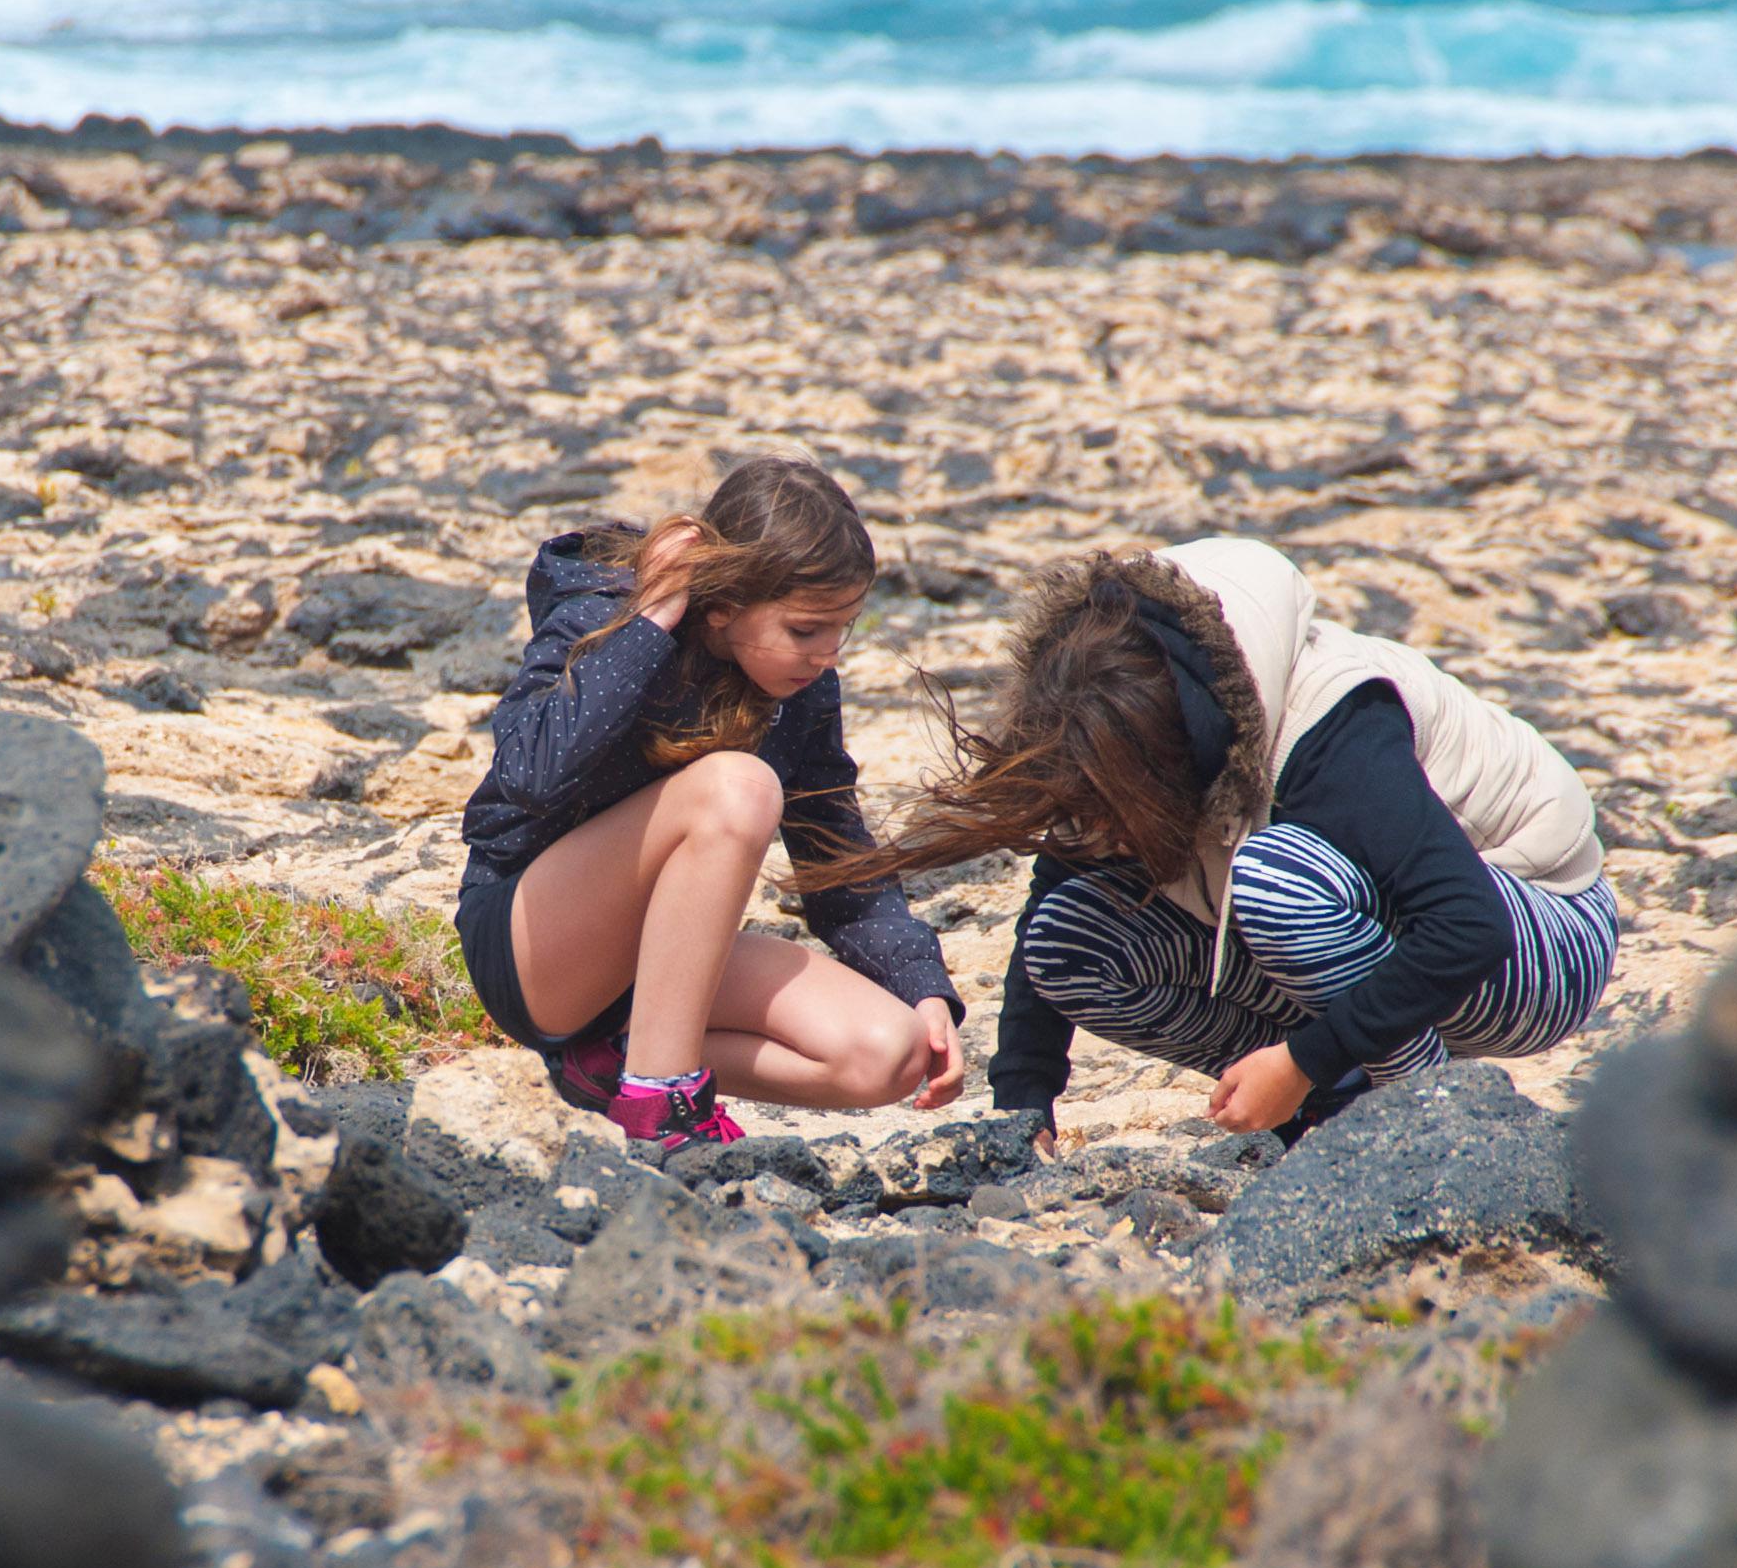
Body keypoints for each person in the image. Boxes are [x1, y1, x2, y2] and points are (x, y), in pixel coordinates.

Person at [828, 535, 1613, 1147]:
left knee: (1274, 877)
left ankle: (1417, 1125)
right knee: (1065, 937)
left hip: (1538, 933)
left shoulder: (1330, 724)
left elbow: (1465, 927)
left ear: (1177, 759)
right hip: (1366, 941)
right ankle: (1334, 1108)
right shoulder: (1094, 717)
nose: (1097, 829)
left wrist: (1305, 1057)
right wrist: (1023, 1102)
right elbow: (1051, 896)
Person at [456, 456, 966, 1158]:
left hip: (654, 971)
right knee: (739, 786)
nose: (825, 654)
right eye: (804, 629)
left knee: (887, 1053)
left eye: (841, 628)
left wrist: (924, 990)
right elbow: (526, 773)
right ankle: (659, 1102)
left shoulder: (801, 691)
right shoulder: (605, 616)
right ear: (723, 604)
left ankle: (609, 1061)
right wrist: (651, 619)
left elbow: (837, 856)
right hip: (533, 945)